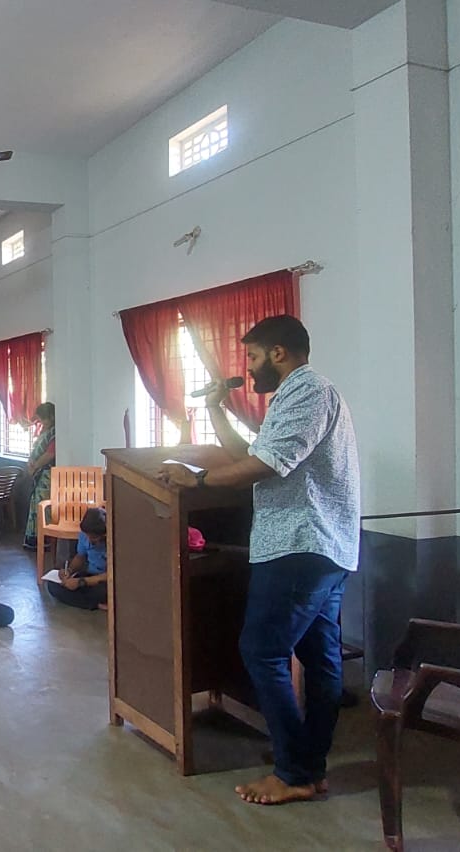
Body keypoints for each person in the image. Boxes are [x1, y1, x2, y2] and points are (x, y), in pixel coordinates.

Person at [159, 315, 359, 806]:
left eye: (252, 356)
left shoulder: (308, 390)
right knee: (319, 659)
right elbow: (249, 456)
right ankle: (309, 768)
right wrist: (215, 409)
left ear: (278, 353)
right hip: (318, 548)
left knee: (262, 652)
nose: (247, 368)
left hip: (299, 545)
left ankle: (293, 771)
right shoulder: (294, 396)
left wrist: (197, 481)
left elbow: (268, 464)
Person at [46, 507, 109, 610]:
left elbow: (111, 575)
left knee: (104, 591)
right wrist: (69, 570)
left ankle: (92, 603)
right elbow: (80, 557)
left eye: (93, 538)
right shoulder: (84, 535)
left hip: (103, 580)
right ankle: (96, 604)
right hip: (89, 575)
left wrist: (81, 582)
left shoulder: (112, 541)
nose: (89, 540)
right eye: (87, 536)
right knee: (53, 586)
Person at [21, 402, 57, 549]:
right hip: (38, 472)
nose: (42, 422)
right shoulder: (45, 432)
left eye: (44, 419)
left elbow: (50, 454)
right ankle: (34, 537)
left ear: (52, 417)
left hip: (46, 475)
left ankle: (43, 538)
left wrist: (35, 466)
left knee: (42, 506)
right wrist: (31, 463)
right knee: (36, 505)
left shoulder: (54, 434)